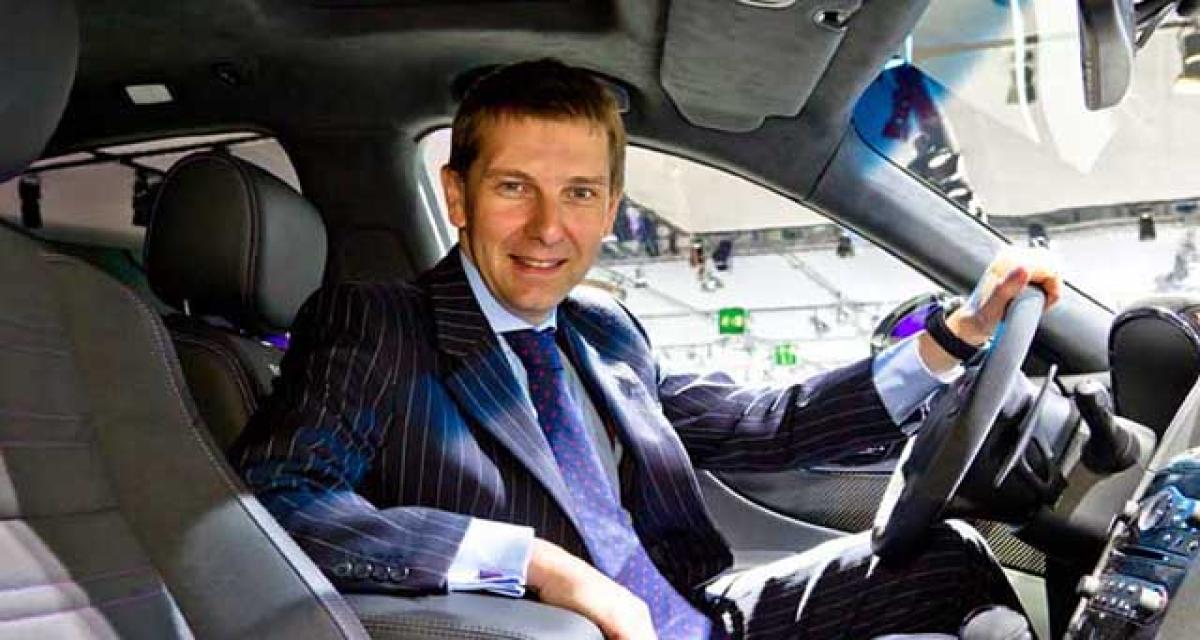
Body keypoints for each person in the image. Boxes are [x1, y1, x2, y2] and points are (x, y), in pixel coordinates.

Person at [231, 59, 1062, 639]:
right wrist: (538, 566)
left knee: (950, 556)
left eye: (579, 193)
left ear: (609, 208)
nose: (549, 228)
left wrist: (959, 335)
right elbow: (281, 503)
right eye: (514, 188)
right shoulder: (376, 323)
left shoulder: (601, 329)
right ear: (458, 195)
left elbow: (765, 423)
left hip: (698, 615)